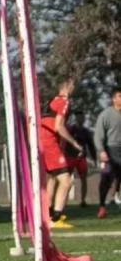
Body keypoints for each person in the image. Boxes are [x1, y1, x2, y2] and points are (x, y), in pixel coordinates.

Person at [40, 78, 83, 228]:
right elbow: (59, 126)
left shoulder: (52, 101)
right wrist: (74, 143)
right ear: (68, 87)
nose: (74, 88)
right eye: (73, 85)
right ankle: (56, 218)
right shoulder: (64, 102)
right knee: (66, 181)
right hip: (49, 144)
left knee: (52, 179)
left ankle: (48, 214)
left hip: (42, 143)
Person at [93, 88, 121, 220]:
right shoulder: (106, 115)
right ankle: (102, 206)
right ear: (114, 99)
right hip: (110, 150)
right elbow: (98, 135)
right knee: (106, 179)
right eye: (120, 96)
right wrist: (101, 151)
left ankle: (116, 197)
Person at [67, 111, 96, 209]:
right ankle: (64, 200)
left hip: (81, 158)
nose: (81, 119)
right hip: (71, 157)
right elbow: (66, 142)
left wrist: (94, 158)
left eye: (83, 118)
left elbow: (91, 146)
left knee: (84, 179)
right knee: (66, 179)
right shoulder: (71, 129)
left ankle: (83, 200)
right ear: (76, 118)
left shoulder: (86, 132)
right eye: (79, 117)